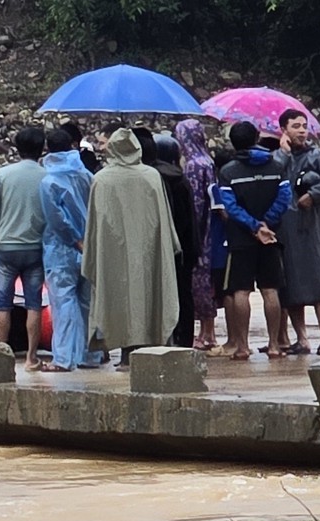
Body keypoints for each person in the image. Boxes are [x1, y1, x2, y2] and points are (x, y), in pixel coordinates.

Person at [83, 128, 181, 364]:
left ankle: (127, 351)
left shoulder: (102, 179)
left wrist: (92, 255)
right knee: (149, 295)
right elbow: (163, 219)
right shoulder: (150, 176)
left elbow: (95, 225)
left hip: (113, 252)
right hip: (148, 249)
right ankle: (148, 346)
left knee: (119, 298)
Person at [212, 121, 291, 360]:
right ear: (257, 137)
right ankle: (275, 345)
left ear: (233, 142)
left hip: (240, 238)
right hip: (270, 237)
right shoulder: (277, 166)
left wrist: (253, 226)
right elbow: (285, 197)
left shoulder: (228, 172)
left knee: (240, 291)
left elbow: (230, 206)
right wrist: (266, 224)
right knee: (271, 289)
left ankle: (242, 346)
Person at [273, 110, 320, 355]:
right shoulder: (277, 157)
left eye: (304, 126)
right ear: (284, 130)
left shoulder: (319, 156)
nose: (302, 131)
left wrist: (313, 195)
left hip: (315, 225)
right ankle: (301, 338)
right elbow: (271, 180)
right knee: (292, 282)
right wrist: (283, 154)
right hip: (287, 226)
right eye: (296, 126)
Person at [38, 125, 99, 369]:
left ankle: (64, 358)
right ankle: (90, 354)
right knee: (87, 303)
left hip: (61, 249)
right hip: (90, 247)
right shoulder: (87, 175)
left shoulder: (49, 181)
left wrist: (75, 240)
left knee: (63, 303)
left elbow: (56, 218)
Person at [0, 126, 47, 363]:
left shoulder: (3, 174)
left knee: (2, 304)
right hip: (35, 247)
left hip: (6, 246)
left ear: (17, 148)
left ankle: (2, 353)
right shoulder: (46, 175)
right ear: (41, 149)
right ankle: (31, 357)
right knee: (34, 304)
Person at [147, 134, 201, 348]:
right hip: (186, 247)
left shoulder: (153, 178)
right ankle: (185, 339)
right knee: (184, 295)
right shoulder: (181, 179)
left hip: (164, 245)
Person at [175, 119, 220, 349]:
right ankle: (209, 330)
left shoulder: (193, 165)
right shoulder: (208, 161)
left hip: (200, 231)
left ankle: (206, 333)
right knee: (208, 282)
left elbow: (197, 203)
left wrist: (194, 235)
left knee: (198, 283)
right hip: (212, 228)